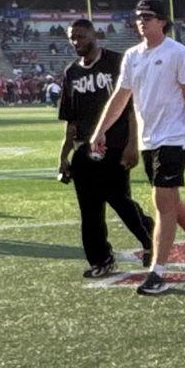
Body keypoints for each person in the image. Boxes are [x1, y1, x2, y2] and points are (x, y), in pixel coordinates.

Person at [85, 0, 185, 297]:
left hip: (174, 137)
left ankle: (157, 272)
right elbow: (120, 97)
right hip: (149, 138)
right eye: (138, 16)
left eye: (147, 16)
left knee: (162, 202)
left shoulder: (178, 54)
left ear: (162, 21)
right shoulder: (132, 56)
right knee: (169, 202)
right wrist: (100, 130)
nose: (141, 21)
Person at [57, 18, 153, 280]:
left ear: (94, 35)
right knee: (89, 209)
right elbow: (70, 119)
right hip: (85, 147)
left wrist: (133, 144)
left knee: (119, 200)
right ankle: (101, 259)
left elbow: (132, 107)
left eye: (81, 36)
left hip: (116, 144)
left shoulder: (116, 62)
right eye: (72, 37)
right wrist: (64, 155)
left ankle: (149, 235)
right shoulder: (71, 72)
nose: (76, 41)